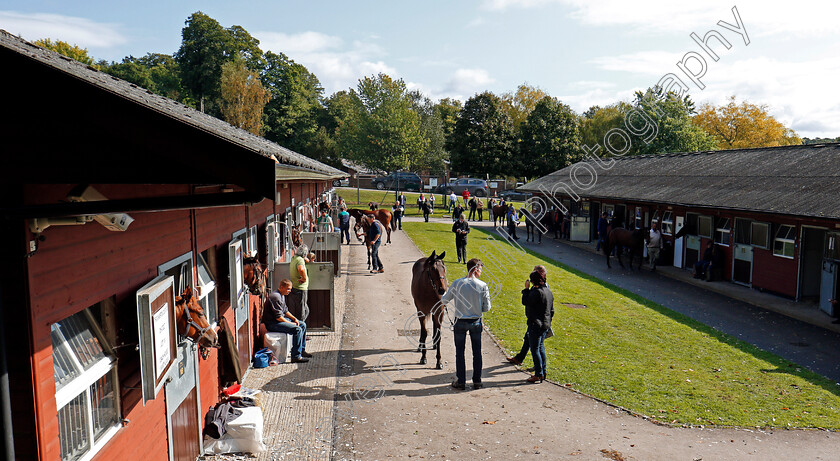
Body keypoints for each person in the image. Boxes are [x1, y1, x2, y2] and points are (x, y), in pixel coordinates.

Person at [440, 258, 491, 390]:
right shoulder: (482, 285)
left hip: (460, 322)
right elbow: (487, 308)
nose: (481, 272)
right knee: (477, 353)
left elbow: (444, 300)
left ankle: (461, 381)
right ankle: (477, 381)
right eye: (480, 269)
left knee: (460, 352)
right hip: (475, 322)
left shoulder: (457, 283)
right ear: (475, 269)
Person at [507, 265, 547, 368]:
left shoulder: (541, 288)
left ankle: (540, 369)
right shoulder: (538, 286)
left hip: (537, 321)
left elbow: (527, 301)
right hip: (535, 320)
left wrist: (526, 289)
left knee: (537, 347)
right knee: (528, 339)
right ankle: (520, 358)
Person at [262, 279, 311, 363]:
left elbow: (285, 311)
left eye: (290, 289)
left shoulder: (282, 295)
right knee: (297, 329)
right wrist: (291, 323)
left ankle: (301, 350)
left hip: (279, 321)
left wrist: (294, 319)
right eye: (288, 289)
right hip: (273, 323)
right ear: (281, 287)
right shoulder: (275, 297)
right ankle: (296, 356)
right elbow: (278, 318)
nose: (290, 291)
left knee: (302, 324)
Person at [522, 267, 554, 383]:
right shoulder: (548, 292)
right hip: (545, 324)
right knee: (541, 348)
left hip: (536, 324)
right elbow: (552, 311)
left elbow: (525, 302)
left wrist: (526, 289)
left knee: (535, 349)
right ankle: (543, 371)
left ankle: (538, 374)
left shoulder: (536, 293)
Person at [288, 244, 310, 322]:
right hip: (301, 289)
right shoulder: (300, 260)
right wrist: (304, 278)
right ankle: (300, 331)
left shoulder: (294, 258)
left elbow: (303, 261)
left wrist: (305, 259)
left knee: (305, 310)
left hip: (295, 287)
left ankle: (300, 328)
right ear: (304, 254)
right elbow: (301, 269)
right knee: (302, 313)